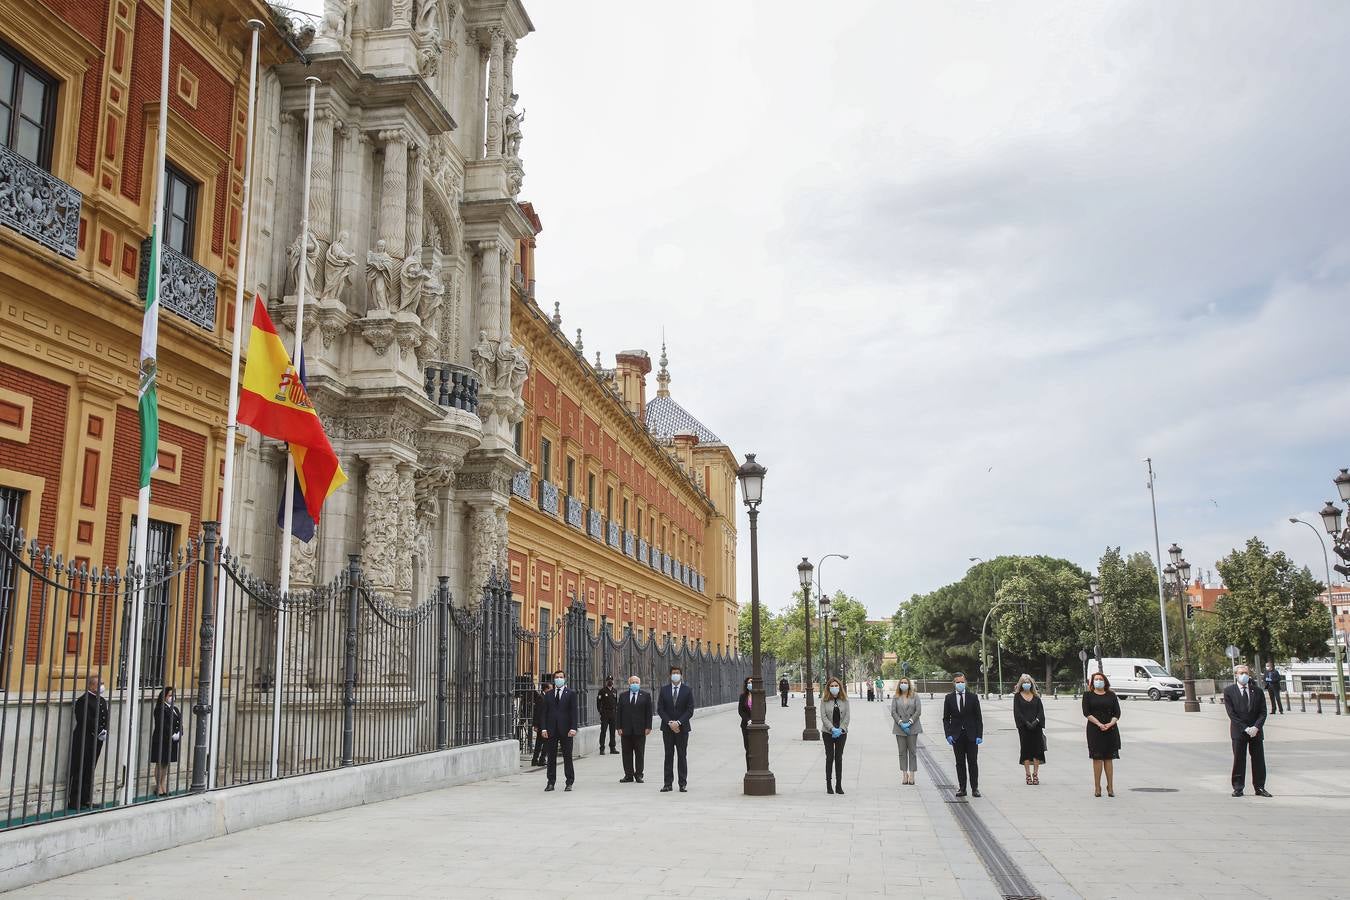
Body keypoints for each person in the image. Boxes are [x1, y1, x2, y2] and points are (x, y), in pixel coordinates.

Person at [1223, 664, 1271, 797]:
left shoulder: (1257, 691)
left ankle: (1259, 787)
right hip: (1239, 731)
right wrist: (1245, 728)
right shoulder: (1229, 691)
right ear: (1236, 675)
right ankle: (1238, 787)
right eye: (1241, 673)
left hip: (1256, 731)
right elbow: (1231, 714)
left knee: (1258, 760)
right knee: (1239, 759)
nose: (1244, 675)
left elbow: (1263, 712)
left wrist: (1256, 727)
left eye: (1246, 672)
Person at [66, 674, 109, 810]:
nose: (102, 686)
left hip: (97, 739)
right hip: (84, 738)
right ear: (91, 686)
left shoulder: (101, 700)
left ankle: (86, 799)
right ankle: (74, 801)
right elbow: (84, 719)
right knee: (80, 768)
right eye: (99, 683)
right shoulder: (83, 700)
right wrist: (97, 731)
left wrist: (104, 731)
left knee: (90, 769)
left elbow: (105, 717)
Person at [942, 673, 982, 798]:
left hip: (971, 735)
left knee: (972, 762)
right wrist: (948, 734)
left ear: (965, 682)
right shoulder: (949, 698)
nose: (960, 684)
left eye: (962, 681)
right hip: (956, 736)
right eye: (957, 682)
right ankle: (962, 788)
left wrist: (979, 735)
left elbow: (978, 718)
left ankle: (975, 788)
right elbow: (945, 718)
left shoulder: (973, 697)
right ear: (954, 683)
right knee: (960, 763)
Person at [1083, 671, 1121, 797]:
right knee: (1097, 758)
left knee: (1109, 758)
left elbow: (1117, 713)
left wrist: (1110, 724)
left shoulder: (1111, 695)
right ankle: (1097, 787)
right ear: (1092, 682)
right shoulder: (1088, 695)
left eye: (1100, 679)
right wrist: (1099, 724)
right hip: (1094, 729)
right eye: (1096, 679)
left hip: (1110, 729)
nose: (1098, 681)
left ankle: (1110, 787)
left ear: (1105, 681)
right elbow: (1086, 713)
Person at [658, 665, 694, 792]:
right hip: (667, 729)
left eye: (678, 673)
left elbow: (690, 710)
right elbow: (660, 709)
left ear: (681, 675)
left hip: (682, 729)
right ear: (670, 675)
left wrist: (678, 723)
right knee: (668, 755)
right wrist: (670, 723)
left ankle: (682, 783)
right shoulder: (664, 690)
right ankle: (667, 783)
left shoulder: (687, 690)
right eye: (673, 673)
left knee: (682, 756)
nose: (675, 675)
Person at [540, 670, 578, 792]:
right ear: (554, 679)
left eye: (561, 677)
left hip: (566, 730)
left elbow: (574, 712)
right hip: (551, 730)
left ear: (565, 679)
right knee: (551, 757)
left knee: (567, 757)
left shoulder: (571, 693)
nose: (559, 679)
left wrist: (573, 728)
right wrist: (544, 728)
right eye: (557, 677)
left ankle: (569, 782)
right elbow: (544, 713)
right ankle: (551, 782)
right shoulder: (549, 694)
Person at [616, 675, 653, 783]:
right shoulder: (623, 696)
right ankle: (628, 775)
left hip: (640, 730)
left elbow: (648, 713)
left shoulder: (646, 696)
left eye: (637, 682)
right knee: (626, 753)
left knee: (639, 753)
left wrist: (648, 726)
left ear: (639, 684)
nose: (635, 684)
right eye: (633, 682)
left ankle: (639, 775)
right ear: (629, 684)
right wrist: (619, 727)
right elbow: (619, 713)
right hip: (626, 730)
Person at [148, 685, 182, 797]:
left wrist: (179, 732)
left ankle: (163, 783)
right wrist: (172, 734)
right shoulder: (160, 708)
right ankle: (158, 786)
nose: (173, 697)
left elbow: (179, 722)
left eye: (174, 695)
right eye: (170, 695)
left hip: (172, 741)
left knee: (166, 763)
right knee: (160, 762)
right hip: (162, 739)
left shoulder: (175, 709)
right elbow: (162, 724)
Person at [819, 676, 850, 794]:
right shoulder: (824, 700)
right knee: (829, 757)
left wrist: (841, 729)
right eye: (832, 686)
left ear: (840, 687)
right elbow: (823, 717)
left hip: (842, 733)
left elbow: (847, 717)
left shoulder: (845, 700)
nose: (834, 688)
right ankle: (828, 785)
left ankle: (839, 785)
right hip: (828, 733)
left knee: (839, 758)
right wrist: (832, 729)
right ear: (828, 688)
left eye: (836, 686)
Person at [1013, 674, 1046, 785]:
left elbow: (1041, 712)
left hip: (1036, 727)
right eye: (1024, 682)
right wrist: (1026, 723)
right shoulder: (1017, 696)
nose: (1026, 684)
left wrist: (1036, 721)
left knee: (1037, 751)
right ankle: (1028, 774)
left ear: (1031, 684)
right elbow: (1017, 712)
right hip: (1024, 728)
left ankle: (1035, 774)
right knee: (1026, 750)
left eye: (1028, 682)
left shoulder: (1036, 696)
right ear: (1021, 684)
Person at [890, 676, 922, 785]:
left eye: (905, 682)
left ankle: (912, 774)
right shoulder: (895, 697)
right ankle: (904, 774)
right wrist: (900, 723)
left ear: (909, 684)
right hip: (899, 728)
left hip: (912, 727)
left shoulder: (915, 696)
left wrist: (909, 722)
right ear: (899, 685)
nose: (903, 684)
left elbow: (918, 711)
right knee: (902, 752)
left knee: (912, 751)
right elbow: (893, 712)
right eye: (902, 682)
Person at [530, 679, 552, 767]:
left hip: (545, 724)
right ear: (546, 689)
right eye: (550, 688)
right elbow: (537, 712)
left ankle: (536, 760)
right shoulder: (541, 698)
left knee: (540, 743)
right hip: (541, 725)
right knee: (544, 743)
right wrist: (535, 725)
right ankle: (541, 759)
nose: (552, 690)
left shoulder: (546, 697)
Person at [597, 676, 619, 754]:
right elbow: (598, 702)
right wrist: (600, 712)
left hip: (613, 714)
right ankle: (602, 748)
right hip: (605, 714)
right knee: (603, 731)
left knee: (612, 732)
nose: (610, 681)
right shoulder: (602, 691)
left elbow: (616, 702)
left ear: (613, 681)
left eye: (611, 680)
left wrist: (616, 712)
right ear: (606, 682)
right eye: (608, 680)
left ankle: (612, 748)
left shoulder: (614, 691)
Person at [738, 677, 755, 768]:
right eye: (748, 682)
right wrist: (748, 720)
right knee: (748, 748)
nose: (750, 684)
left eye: (752, 682)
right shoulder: (743, 696)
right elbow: (740, 711)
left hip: (756, 725)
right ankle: (749, 769)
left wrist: (755, 720)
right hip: (746, 725)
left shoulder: (759, 695)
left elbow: (763, 710)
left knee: (756, 748)